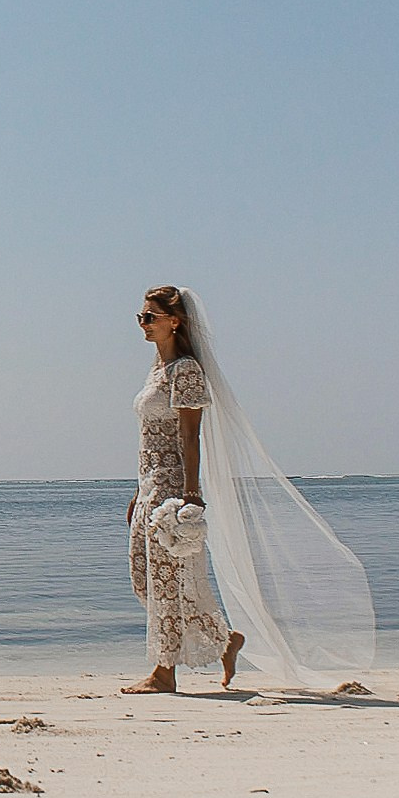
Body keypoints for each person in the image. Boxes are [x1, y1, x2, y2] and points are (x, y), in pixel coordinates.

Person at [123, 285, 243, 693]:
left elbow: (190, 437)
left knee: (166, 580)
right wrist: (138, 492)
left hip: (172, 488)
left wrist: (190, 494)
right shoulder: (157, 371)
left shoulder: (187, 371)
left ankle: (164, 672)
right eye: (140, 317)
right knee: (145, 578)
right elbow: (148, 437)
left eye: (150, 317)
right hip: (148, 486)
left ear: (174, 321)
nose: (143, 324)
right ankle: (225, 640)